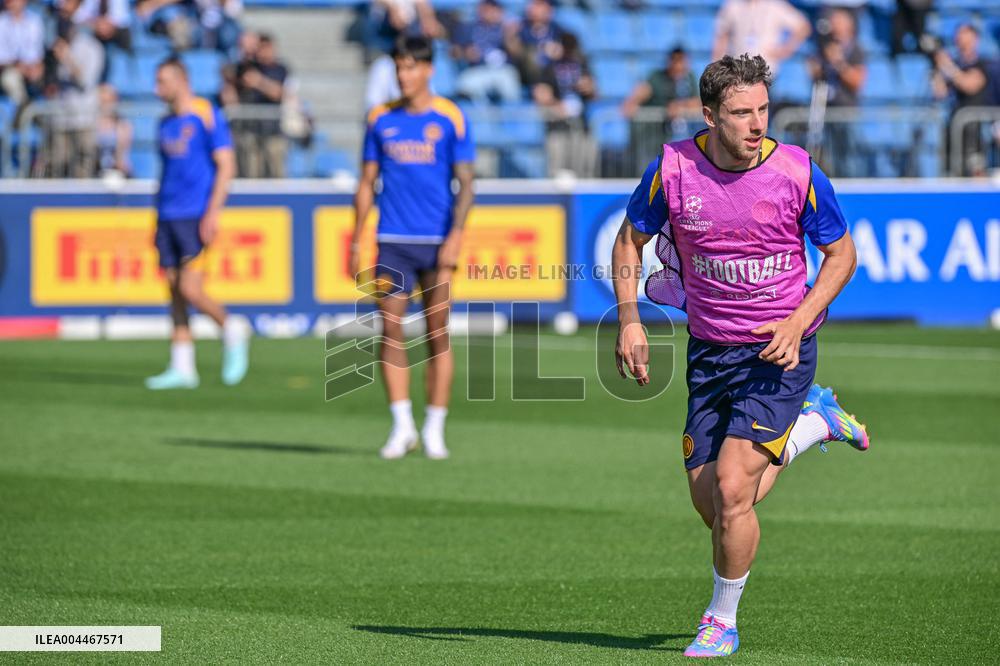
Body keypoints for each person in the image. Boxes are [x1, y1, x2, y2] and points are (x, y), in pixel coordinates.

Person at [611, 54, 869, 658]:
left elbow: (842, 255)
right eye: (741, 113)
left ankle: (720, 620)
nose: (757, 124)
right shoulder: (672, 168)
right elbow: (630, 241)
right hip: (710, 353)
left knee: (732, 489)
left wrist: (800, 318)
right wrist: (630, 320)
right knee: (716, 505)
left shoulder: (798, 171)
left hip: (780, 351)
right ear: (708, 116)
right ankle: (815, 423)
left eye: (763, 110)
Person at [352, 36, 475, 460]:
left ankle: (435, 427)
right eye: (398, 68)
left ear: (428, 70)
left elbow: (467, 184)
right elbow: (366, 183)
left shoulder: (450, 118)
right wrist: (356, 237)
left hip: (438, 243)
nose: (403, 75)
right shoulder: (380, 120)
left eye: (410, 67)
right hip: (393, 242)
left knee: (437, 336)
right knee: (389, 330)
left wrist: (456, 236)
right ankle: (401, 424)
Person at [145, 57, 248, 390]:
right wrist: (156, 216)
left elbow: (226, 165)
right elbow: (165, 176)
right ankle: (182, 366)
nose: (156, 88)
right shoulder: (164, 123)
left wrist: (213, 212)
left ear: (180, 80)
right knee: (174, 291)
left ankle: (232, 327)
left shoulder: (206, 114)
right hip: (168, 215)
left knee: (191, 288)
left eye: (162, 81)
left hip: (195, 215)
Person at [621, 46, 700, 176]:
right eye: (675, 61)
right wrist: (631, 103)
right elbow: (643, 90)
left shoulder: (689, 78)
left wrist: (680, 106)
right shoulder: (657, 77)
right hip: (655, 138)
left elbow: (699, 102)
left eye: (682, 61)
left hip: (682, 137)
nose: (678, 65)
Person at [807, 7, 866, 177]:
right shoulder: (823, 46)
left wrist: (839, 63)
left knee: (848, 157)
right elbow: (814, 73)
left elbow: (858, 82)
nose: (833, 25)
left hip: (846, 111)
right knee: (827, 157)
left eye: (838, 21)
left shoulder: (855, 50)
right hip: (825, 110)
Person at [532, 31, 596, 177]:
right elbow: (541, 93)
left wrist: (589, 87)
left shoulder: (582, 65)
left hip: (581, 126)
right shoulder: (550, 67)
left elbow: (594, 93)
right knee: (558, 171)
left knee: (583, 170)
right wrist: (557, 105)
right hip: (558, 126)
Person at [932, 24, 990, 177]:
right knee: (953, 172)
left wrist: (948, 67)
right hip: (955, 127)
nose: (961, 39)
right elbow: (940, 93)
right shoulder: (956, 64)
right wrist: (939, 67)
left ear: (975, 39)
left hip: (974, 129)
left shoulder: (982, 64)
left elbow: (970, 84)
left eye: (965, 34)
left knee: (976, 171)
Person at [712, 0, 811, 75]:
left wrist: (785, 50)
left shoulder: (775, 5)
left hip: (766, 70)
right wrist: (717, 66)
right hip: (737, 70)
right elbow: (722, 36)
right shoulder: (732, 5)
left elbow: (803, 27)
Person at [453, 0, 520, 104]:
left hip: (503, 70)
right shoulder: (469, 28)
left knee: (510, 88)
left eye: (492, 8)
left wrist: (509, 36)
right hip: (478, 69)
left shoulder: (508, 27)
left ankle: (513, 116)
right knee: (466, 84)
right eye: (486, 8)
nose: (489, 12)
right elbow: (454, 52)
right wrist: (465, 53)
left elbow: (517, 53)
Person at [0, 0, 45, 109]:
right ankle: (25, 112)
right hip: (8, 69)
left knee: (43, 76)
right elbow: (2, 59)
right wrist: (19, 67)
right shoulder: (1, 22)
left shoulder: (35, 21)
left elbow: (37, 53)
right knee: (10, 78)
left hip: (31, 68)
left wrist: (36, 67)